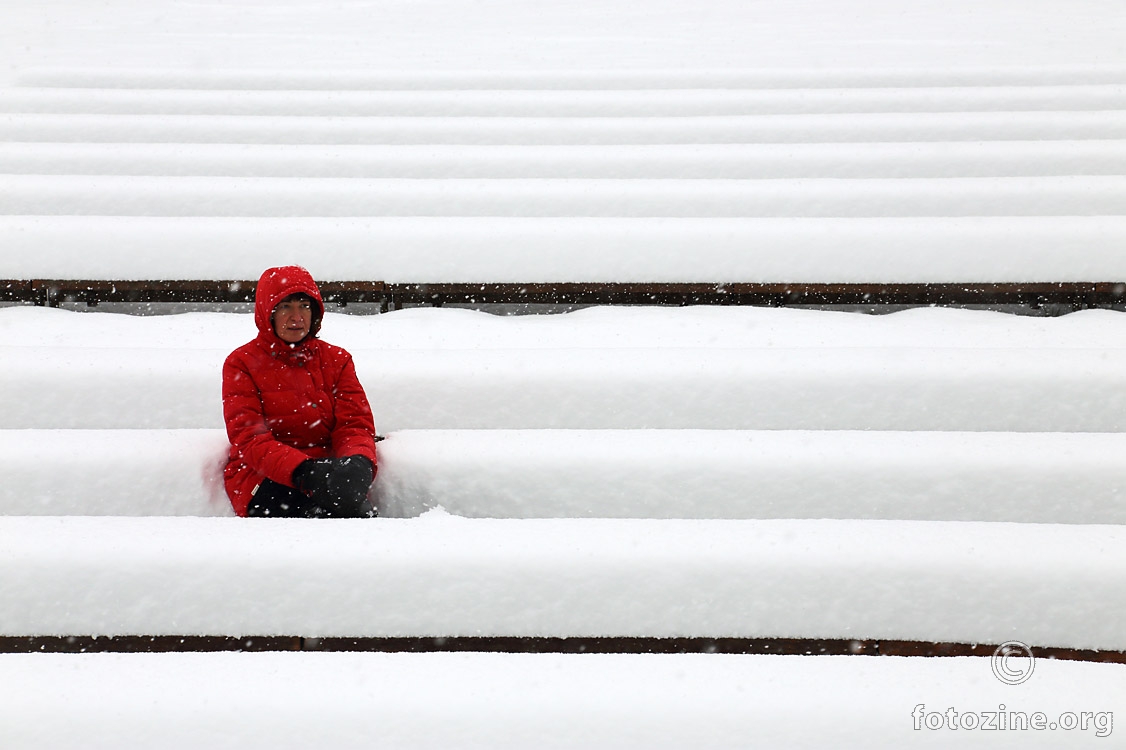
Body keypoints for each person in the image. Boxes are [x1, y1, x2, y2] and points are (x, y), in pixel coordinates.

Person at [222, 265, 378, 518]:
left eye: (304, 306)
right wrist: (304, 472)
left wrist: (358, 462)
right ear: (267, 312)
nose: (297, 317)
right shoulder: (242, 363)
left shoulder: (337, 359)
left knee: (358, 520)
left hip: (328, 471)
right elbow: (249, 438)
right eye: (285, 307)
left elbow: (354, 425)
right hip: (263, 476)